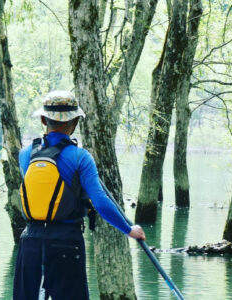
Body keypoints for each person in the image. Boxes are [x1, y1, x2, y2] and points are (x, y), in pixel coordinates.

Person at [13, 90, 146, 300]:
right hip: (66, 242)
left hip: (30, 242)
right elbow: (101, 202)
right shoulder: (81, 157)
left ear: (42, 119)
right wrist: (129, 230)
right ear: (75, 122)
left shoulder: (25, 154)